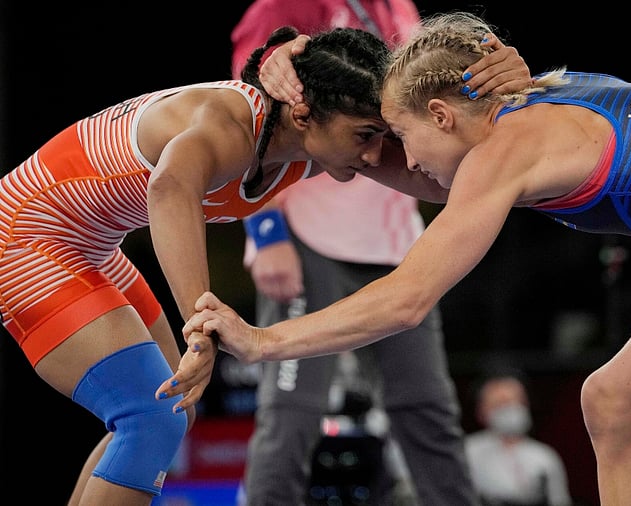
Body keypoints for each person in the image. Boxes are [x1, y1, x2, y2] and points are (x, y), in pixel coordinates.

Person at [173, 11, 631, 505]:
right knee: (612, 404)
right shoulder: (522, 98)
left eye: (397, 136)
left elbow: (407, 299)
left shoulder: (509, 151)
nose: (402, 163)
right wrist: (297, 92)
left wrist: (264, 341)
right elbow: (413, 119)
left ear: (441, 117)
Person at [1, 23, 525, 505]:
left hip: (91, 244)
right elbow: (169, 187)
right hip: (24, 235)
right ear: (301, 116)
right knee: (151, 415)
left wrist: (508, 100)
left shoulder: (318, 134)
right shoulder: (229, 123)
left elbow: (441, 176)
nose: (375, 155)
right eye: (365, 136)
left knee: (167, 411)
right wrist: (200, 324)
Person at [230, 1, 480, 504]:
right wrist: (267, 234)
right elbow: (247, 116)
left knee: (427, 406)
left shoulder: (400, 7)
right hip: (309, 232)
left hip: (395, 240)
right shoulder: (288, 4)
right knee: (293, 411)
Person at [465, 372, 572, 506]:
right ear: (481, 411)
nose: (509, 409)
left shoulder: (544, 456)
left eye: (515, 401)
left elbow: (559, 500)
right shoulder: (467, 453)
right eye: (500, 404)